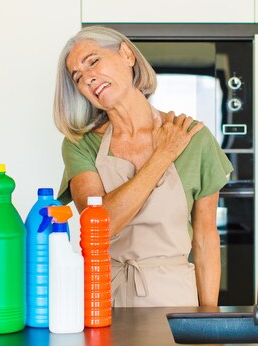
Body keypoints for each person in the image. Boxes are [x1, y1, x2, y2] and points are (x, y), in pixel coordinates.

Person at [53, 26, 233, 307]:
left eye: (93, 61)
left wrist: (209, 321)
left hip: (175, 301)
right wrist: (163, 155)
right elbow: (101, 224)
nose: (88, 77)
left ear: (126, 55)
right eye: (78, 77)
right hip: (104, 300)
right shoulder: (80, 145)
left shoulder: (194, 138)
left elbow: (205, 239)